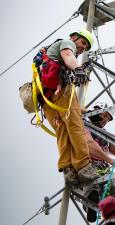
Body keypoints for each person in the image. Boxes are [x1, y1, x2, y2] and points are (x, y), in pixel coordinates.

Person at [38, 29, 100, 185]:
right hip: (61, 92)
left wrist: (79, 108)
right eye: (82, 43)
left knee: (63, 130)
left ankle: (68, 168)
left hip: (46, 99)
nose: (82, 48)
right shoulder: (66, 43)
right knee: (75, 125)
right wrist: (78, 69)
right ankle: (84, 166)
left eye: (85, 47)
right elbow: (68, 56)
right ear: (74, 37)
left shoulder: (52, 53)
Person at [83, 101, 115, 222]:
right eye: (104, 115)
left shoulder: (104, 133)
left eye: (108, 119)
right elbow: (89, 146)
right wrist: (111, 160)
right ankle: (90, 204)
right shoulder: (83, 124)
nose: (105, 120)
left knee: (114, 191)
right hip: (87, 163)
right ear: (95, 111)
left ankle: (111, 213)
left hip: (102, 167)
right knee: (92, 186)